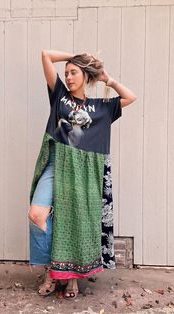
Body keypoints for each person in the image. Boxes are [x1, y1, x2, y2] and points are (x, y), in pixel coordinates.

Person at [28, 50, 137, 300]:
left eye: (73, 72)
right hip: (57, 162)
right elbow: (45, 55)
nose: (68, 76)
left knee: (77, 222)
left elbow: (131, 97)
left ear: (86, 76)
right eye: (66, 73)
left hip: (85, 170)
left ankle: (72, 278)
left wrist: (107, 79)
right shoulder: (59, 97)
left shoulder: (102, 107)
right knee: (37, 215)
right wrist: (76, 55)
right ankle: (52, 272)